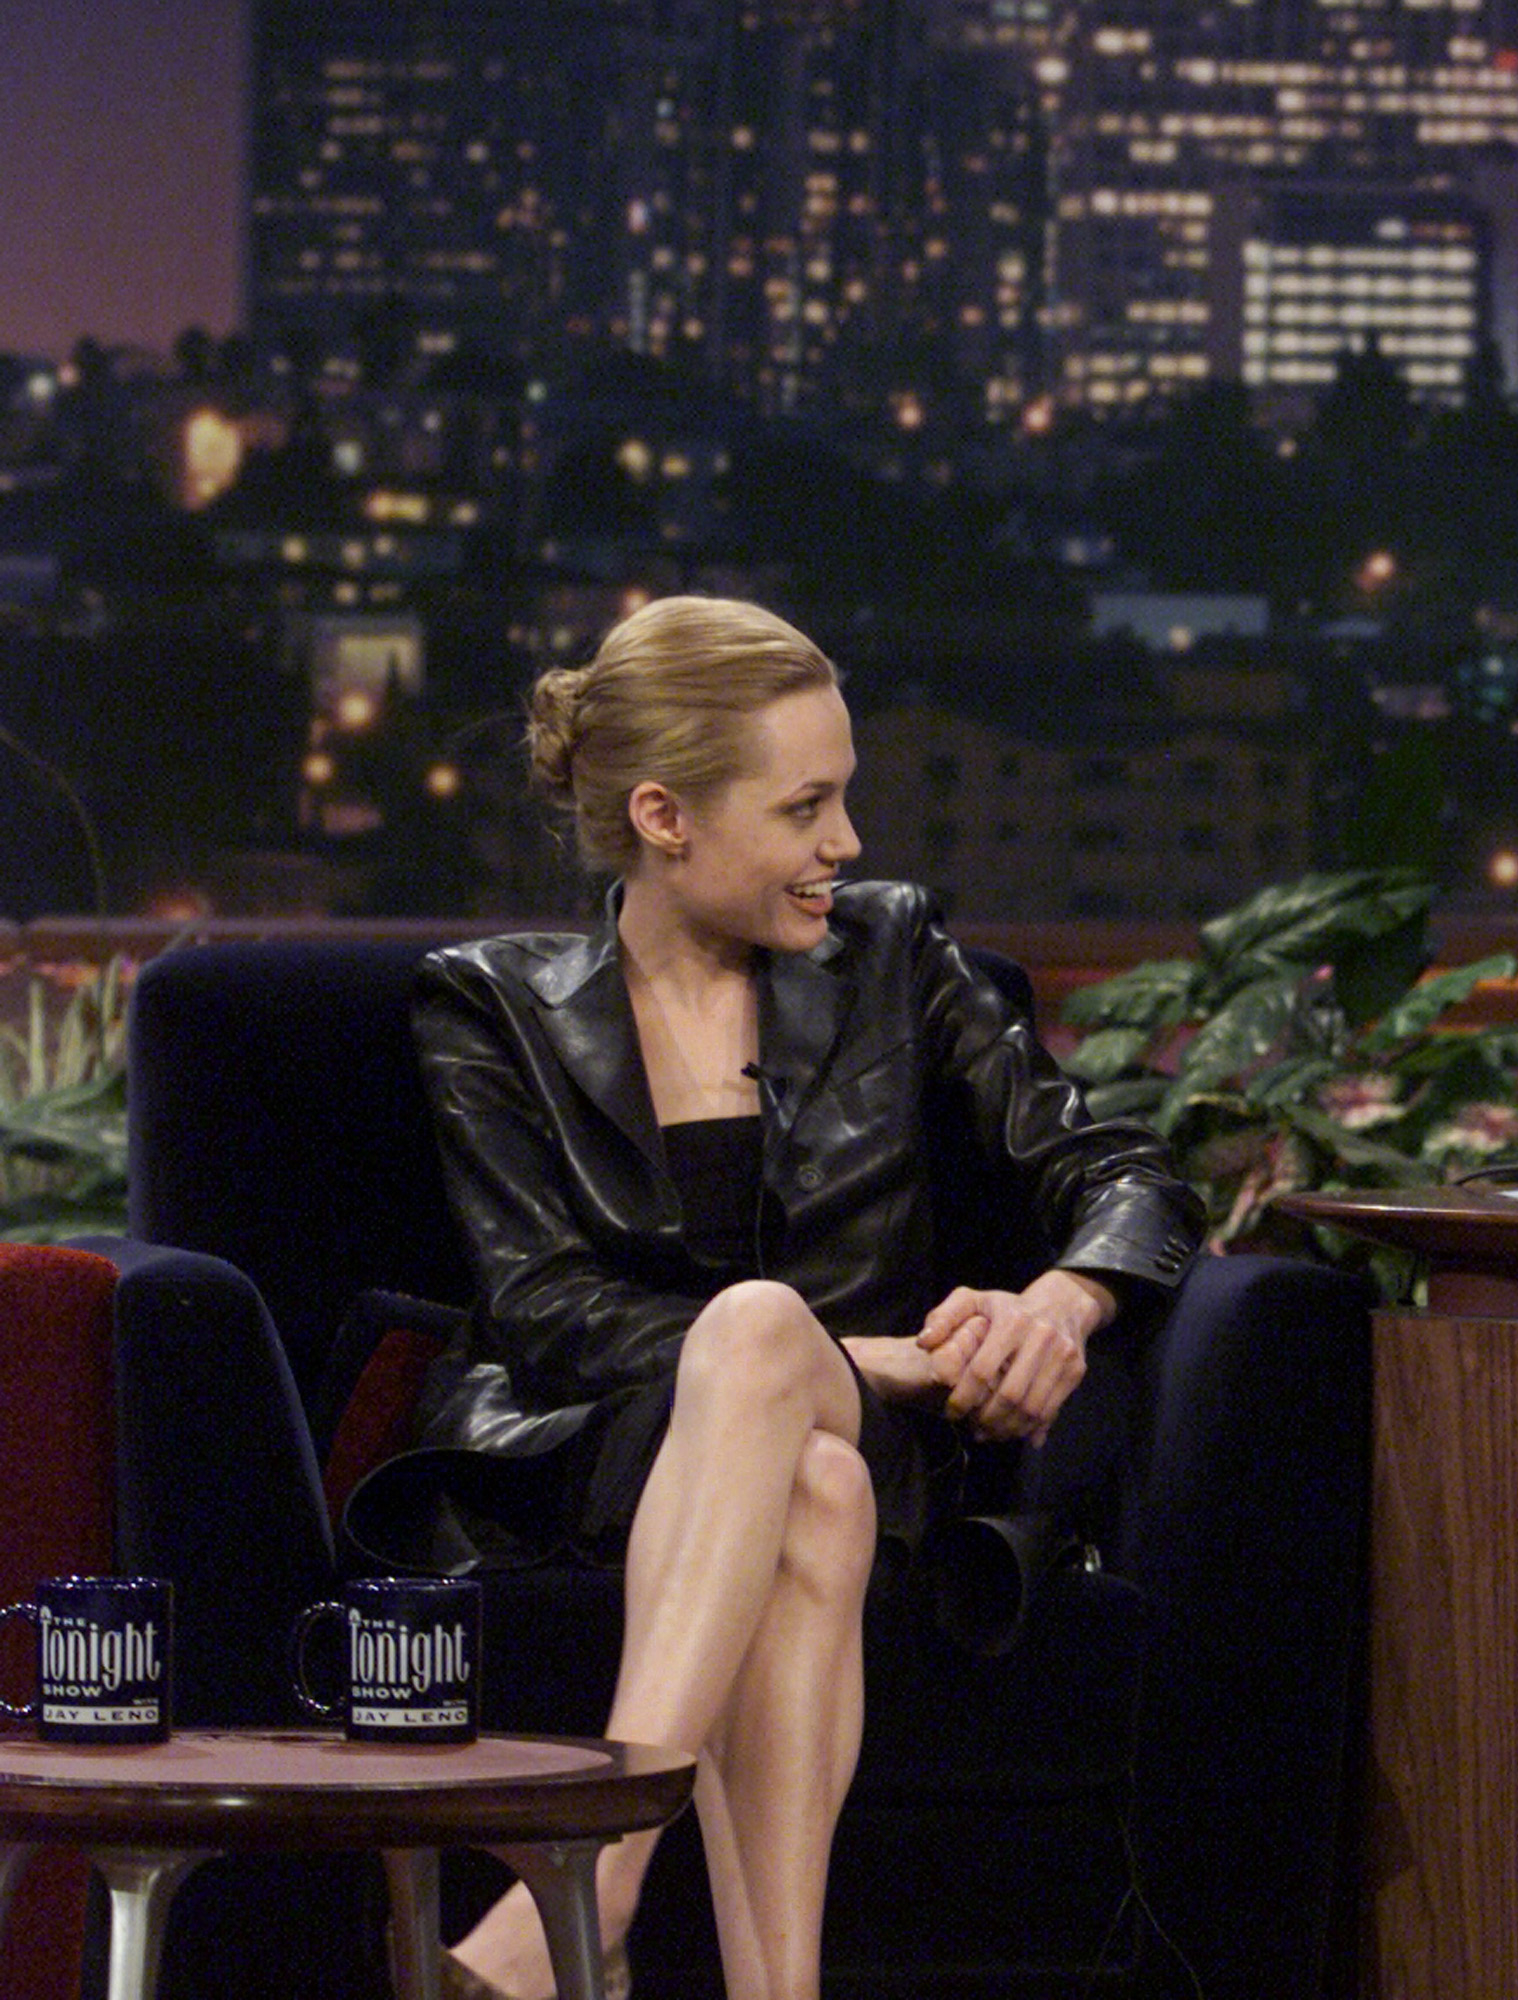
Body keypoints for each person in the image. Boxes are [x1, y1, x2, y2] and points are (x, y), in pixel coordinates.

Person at [375, 596, 1204, 2000]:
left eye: (848, 798)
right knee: (798, 1451)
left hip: (887, 1458)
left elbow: (1121, 1167)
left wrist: (1060, 1307)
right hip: (606, 1450)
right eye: (806, 805)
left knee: (803, 1428)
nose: (848, 844)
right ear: (664, 815)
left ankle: (587, 1899)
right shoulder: (489, 1005)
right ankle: (727, 1960)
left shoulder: (893, 953)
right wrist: (861, 1357)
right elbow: (543, 1308)